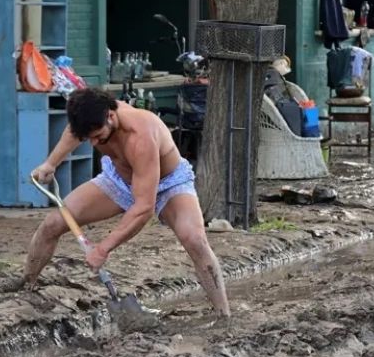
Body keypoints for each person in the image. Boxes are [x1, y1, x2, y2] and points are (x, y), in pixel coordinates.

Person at [26, 88, 231, 318]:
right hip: (119, 179)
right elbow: (75, 132)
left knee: (194, 239)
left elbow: (144, 208)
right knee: (53, 223)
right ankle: (27, 286)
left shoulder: (140, 136)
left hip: (168, 183)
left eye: (97, 136)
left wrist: (103, 249)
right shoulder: (89, 120)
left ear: (111, 116)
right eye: (87, 138)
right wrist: (50, 163)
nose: (93, 143)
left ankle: (223, 315)